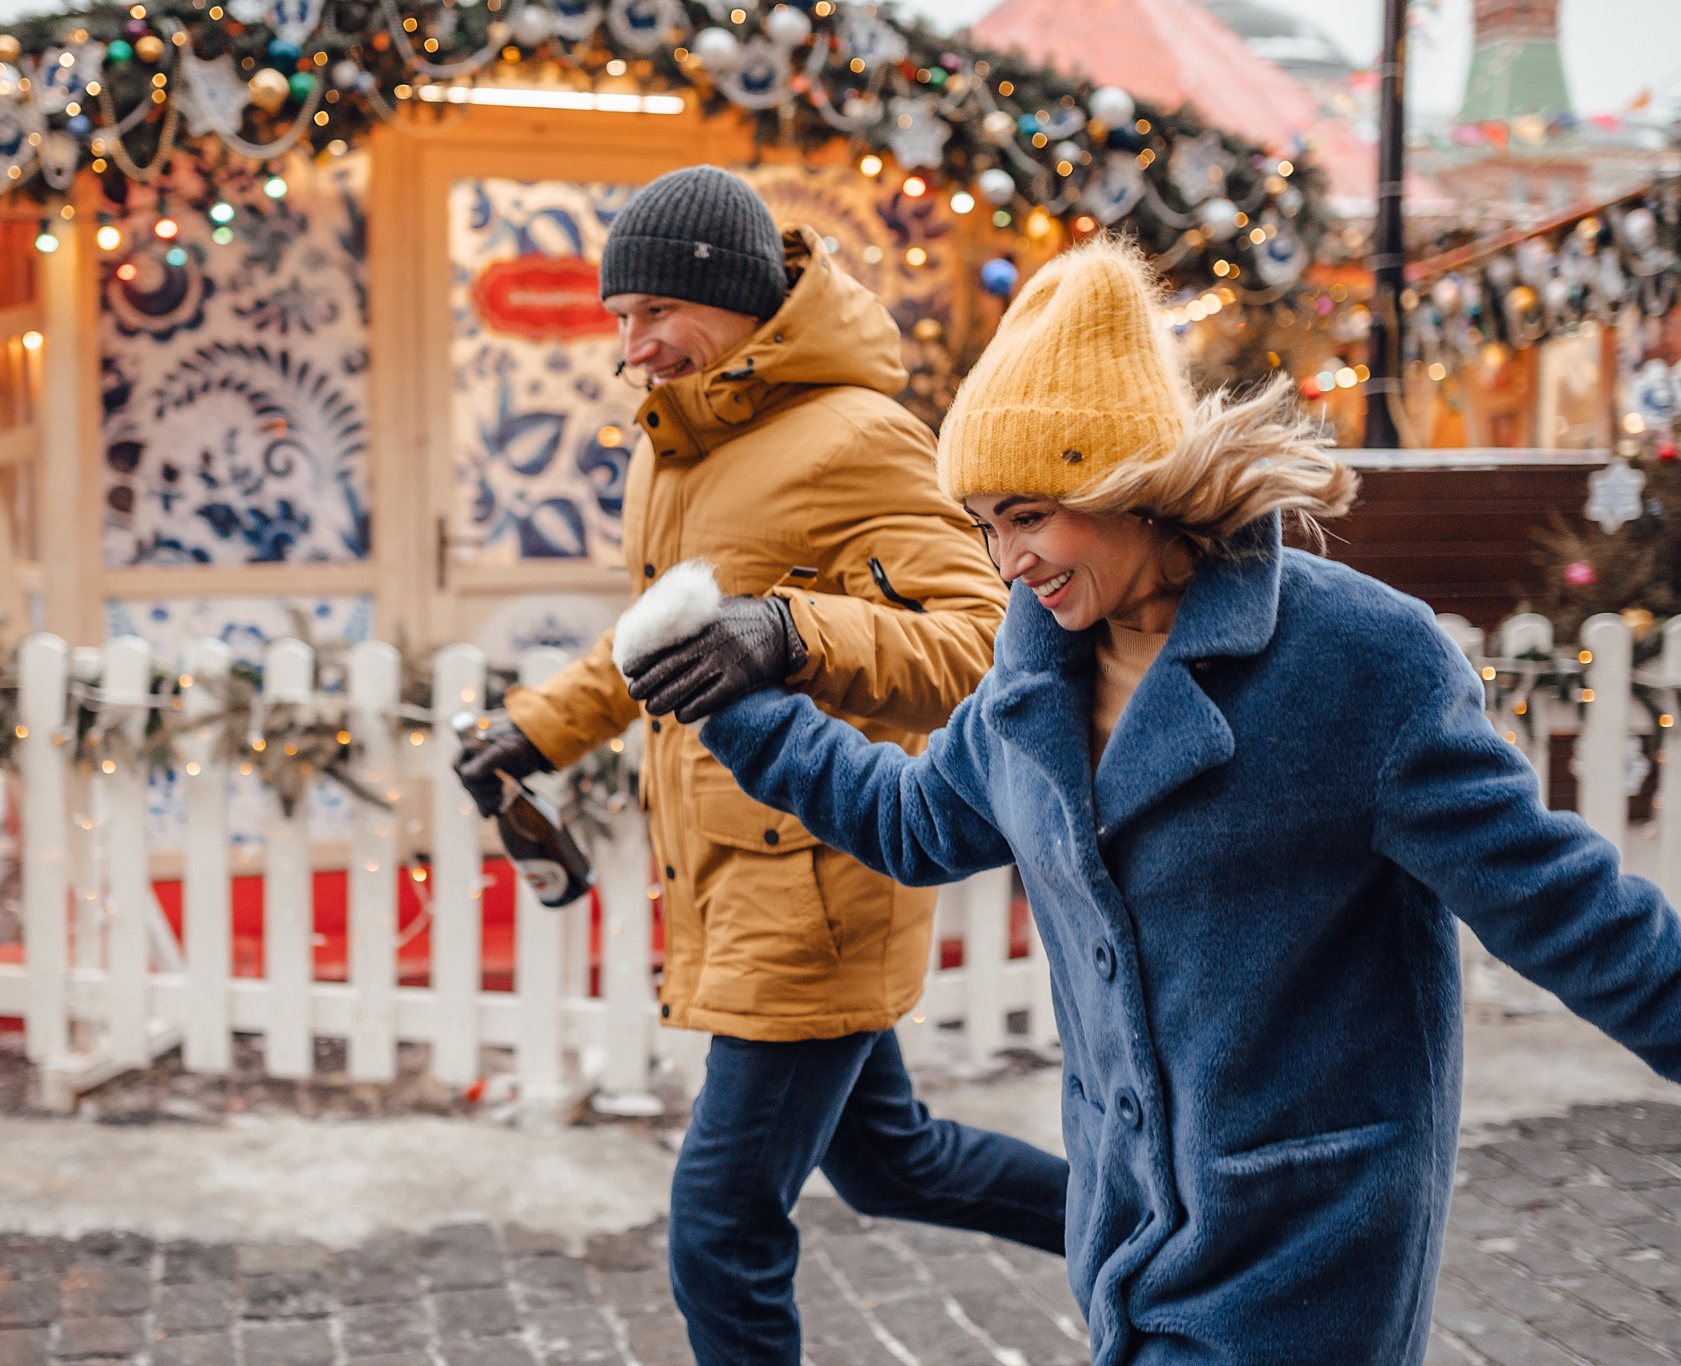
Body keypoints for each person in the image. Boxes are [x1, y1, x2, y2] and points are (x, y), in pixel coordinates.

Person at [639, 237, 1681, 1363]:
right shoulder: (1032, 680)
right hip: (1125, 1237)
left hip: (1302, 1247)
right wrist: (740, 698)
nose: (1006, 561)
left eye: (1030, 513)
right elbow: (911, 823)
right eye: (985, 522)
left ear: (1126, 483)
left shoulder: (1357, 661)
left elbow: (1562, 907)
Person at [454, 165, 1068, 1364]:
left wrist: (793, 631)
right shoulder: (676, 445)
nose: (631, 349)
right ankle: (1159, 1235)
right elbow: (659, 641)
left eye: (652, 315)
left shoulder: (858, 438)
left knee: (718, 1221)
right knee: (895, 1162)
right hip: (739, 872)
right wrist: (536, 729)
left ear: (733, 300)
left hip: (818, 882)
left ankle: (1162, 1237)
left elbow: (989, 643)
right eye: (617, 319)